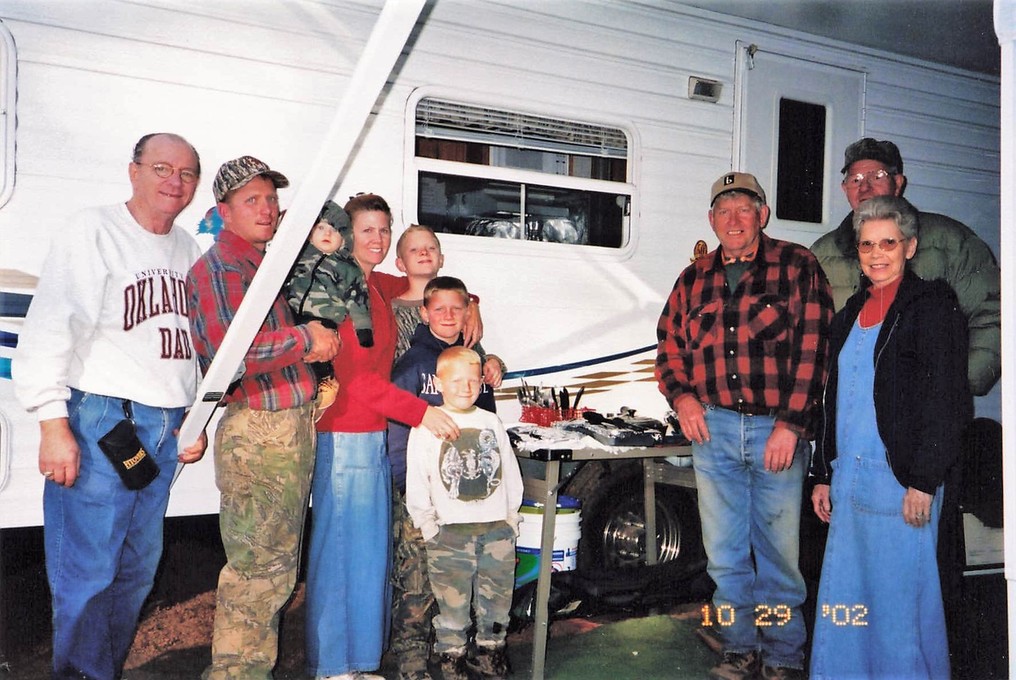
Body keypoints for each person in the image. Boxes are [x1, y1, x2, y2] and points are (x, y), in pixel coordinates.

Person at [12, 132, 207, 679]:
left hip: (165, 430)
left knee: (136, 573)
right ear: (134, 171)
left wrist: (195, 418)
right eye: (162, 168)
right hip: (104, 421)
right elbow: (52, 327)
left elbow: (193, 345)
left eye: (187, 173)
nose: (175, 182)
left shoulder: (187, 247)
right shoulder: (93, 230)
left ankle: (102, 671)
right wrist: (54, 424)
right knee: (88, 573)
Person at [655, 172, 833, 680]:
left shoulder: (797, 265)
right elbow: (668, 346)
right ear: (711, 219)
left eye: (744, 208)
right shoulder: (692, 280)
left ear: (762, 214)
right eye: (723, 210)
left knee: (778, 556)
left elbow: (815, 350)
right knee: (725, 554)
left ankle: (781, 656)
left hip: (775, 431)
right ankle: (739, 648)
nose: (733, 220)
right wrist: (683, 398)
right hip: (711, 432)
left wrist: (792, 425)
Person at [187, 155, 341, 679]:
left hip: (286, 430)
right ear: (222, 210)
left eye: (272, 198)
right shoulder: (220, 268)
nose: (267, 208)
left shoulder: (262, 265)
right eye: (252, 199)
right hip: (260, 432)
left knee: (274, 568)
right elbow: (226, 353)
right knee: (258, 571)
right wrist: (306, 339)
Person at [808, 196, 970, 679]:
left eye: (889, 243)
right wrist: (821, 472)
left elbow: (948, 402)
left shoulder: (931, 307)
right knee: (846, 598)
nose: (877, 254)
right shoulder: (849, 314)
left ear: (910, 246)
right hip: (849, 481)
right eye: (866, 245)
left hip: (901, 485)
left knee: (899, 608)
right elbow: (831, 400)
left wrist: (923, 481)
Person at [305, 193, 461, 680]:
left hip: (372, 434)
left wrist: (469, 305)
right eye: (366, 229)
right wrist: (421, 413)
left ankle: (357, 662)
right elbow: (356, 378)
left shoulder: (373, 284)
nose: (376, 239)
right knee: (339, 552)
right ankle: (333, 664)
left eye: (383, 229)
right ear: (347, 234)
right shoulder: (340, 289)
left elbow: (422, 284)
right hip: (347, 430)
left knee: (368, 553)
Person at [810, 137, 1000, 397]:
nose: (864, 187)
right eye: (855, 179)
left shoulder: (950, 241)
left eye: (877, 176)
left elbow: (995, 313)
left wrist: (955, 386)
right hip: (851, 404)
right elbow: (809, 335)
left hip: (923, 410)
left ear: (898, 183)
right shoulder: (821, 254)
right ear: (845, 189)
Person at [388, 275, 499, 680]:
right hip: (423, 498)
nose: (449, 316)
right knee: (416, 581)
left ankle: (455, 654)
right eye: (440, 309)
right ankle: (412, 663)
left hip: (467, 498)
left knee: (460, 579)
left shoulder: (474, 362)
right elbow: (396, 430)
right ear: (424, 312)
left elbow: (487, 429)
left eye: (457, 308)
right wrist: (406, 486)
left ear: (469, 311)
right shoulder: (414, 365)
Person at [405, 346, 523, 680]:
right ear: (438, 382)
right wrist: (428, 525)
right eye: (456, 380)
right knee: (453, 606)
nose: (466, 387)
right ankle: (450, 658)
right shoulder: (427, 425)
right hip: (450, 535)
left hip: (496, 530)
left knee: (497, 601)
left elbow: (509, 472)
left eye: (473, 380)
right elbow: (417, 478)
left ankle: (490, 653)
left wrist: (511, 518)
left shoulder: (491, 421)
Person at [286, 199, 375, 350]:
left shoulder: (348, 268)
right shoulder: (297, 256)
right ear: (310, 233)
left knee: (321, 354)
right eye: (321, 227)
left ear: (344, 240)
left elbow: (358, 299)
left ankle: (324, 373)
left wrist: (364, 330)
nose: (327, 233)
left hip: (325, 319)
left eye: (335, 230)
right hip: (291, 314)